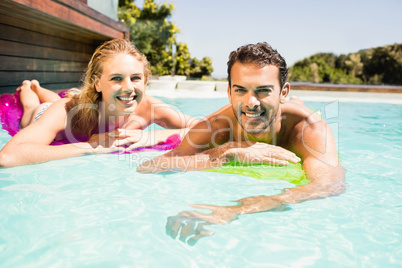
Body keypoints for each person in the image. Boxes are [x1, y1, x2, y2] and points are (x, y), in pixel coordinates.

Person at [137, 42, 346, 245]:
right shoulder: (216, 128)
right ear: (229, 92)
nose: (251, 102)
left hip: (289, 118)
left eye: (263, 90)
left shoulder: (309, 128)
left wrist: (235, 210)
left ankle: (296, 103)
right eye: (240, 90)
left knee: (297, 109)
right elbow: (149, 167)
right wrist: (226, 153)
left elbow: (329, 185)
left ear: (283, 92)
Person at [0, 39, 196, 167]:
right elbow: (7, 157)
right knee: (31, 108)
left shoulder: (149, 107)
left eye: (135, 78)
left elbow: (210, 128)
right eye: (117, 78)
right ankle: (29, 87)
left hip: (80, 103)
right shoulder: (66, 111)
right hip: (44, 114)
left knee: (58, 98)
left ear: (144, 81)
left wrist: (149, 137)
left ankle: (38, 87)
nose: (129, 88)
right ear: (97, 83)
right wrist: (92, 146)